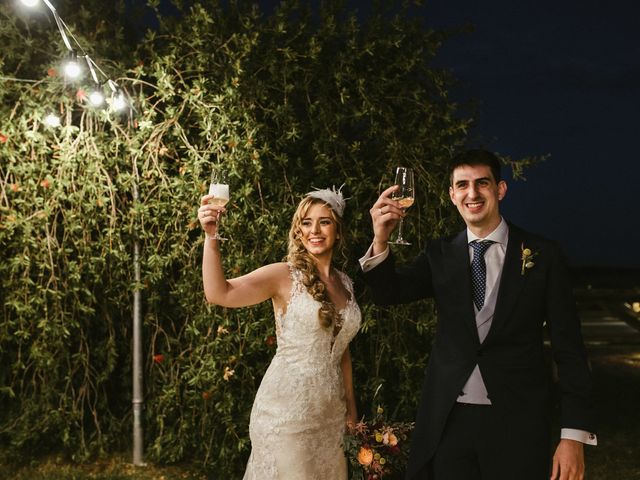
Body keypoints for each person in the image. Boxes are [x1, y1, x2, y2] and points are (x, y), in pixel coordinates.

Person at [360, 150, 596, 480]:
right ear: (452, 194)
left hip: (519, 425)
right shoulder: (439, 254)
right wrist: (380, 238)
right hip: (448, 425)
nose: (472, 193)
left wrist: (573, 435)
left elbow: (569, 350)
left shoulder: (544, 255)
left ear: (500, 190)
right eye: (463, 185)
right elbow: (388, 294)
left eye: (481, 183)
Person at [198, 185, 361, 479]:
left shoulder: (345, 283)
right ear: (298, 231)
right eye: (306, 222)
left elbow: (342, 351)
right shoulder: (283, 276)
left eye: (324, 221)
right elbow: (218, 293)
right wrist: (212, 237)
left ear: (338, 230)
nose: (315, 230)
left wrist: (351, 412)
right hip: (287, 414)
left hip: (330, 417)